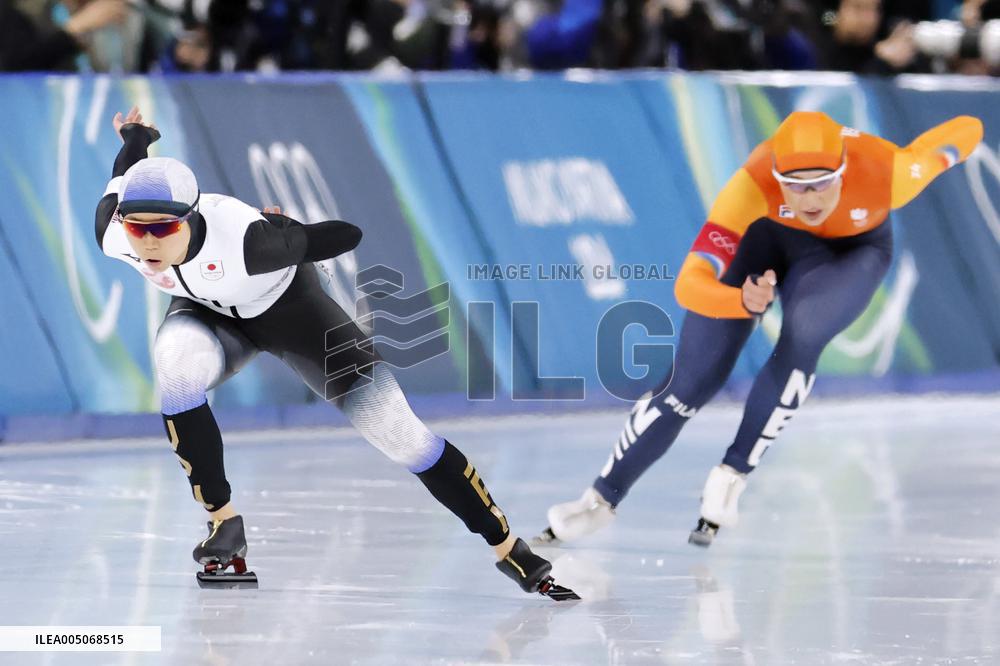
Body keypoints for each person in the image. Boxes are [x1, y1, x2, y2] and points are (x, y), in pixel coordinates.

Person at [95, 107, 578, 600]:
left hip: (294, 311)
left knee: (404, 438)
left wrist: (292, 235)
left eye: (162, 229)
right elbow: (123, 175)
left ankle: (508, 546)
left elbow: (348, 234)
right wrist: (137, 136)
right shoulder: (114, 234)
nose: (148, 242)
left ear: (191, 218)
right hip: (209, 312)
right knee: (175, 368)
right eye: (138, 229)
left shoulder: (248, 245)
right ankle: (224, 521)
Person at [537, 110, 983, 547]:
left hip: (851, 254)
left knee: (806, 330)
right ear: (776, 176)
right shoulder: (750, 184)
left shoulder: (891, 171)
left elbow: (966, 129)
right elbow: (688, 285)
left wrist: (953, 150)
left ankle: (732, 474)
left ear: (844, 172)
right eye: (795, 186)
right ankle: (601, 496)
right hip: (765, 241)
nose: (809, 199)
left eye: (822, 183)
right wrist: (739, 300)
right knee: (689, 380)